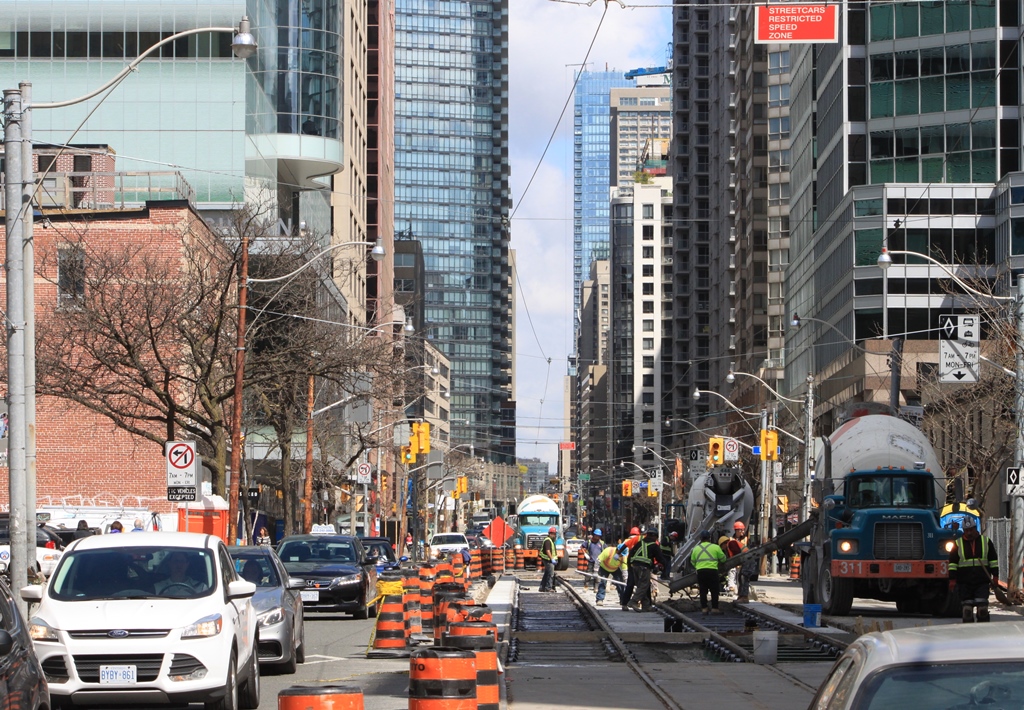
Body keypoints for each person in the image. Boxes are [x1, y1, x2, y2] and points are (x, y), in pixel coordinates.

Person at [949, 517, 999, 623]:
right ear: (963, 530)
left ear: (975, 528)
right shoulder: (957, 544)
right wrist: (952, 579)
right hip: (964, 583)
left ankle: (983, 629)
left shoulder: (986, 542)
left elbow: (993, 560)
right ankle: (969, 631)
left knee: (982, 610)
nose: (969, 533)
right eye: (966, 530)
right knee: (967, 611)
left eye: (971, 530)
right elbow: (952, 563)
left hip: (982, 582)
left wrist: (995, 576)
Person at [627, 528, 669, 612]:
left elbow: (631, 554)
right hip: (643, 567)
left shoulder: (639, 543)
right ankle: (633, 601)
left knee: (642, 586)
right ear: (654, 536)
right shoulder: (654, 545)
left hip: (634, 566)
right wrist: (663, 567)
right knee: (644, 585)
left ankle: (646, 606)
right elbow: (660, 558)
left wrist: (629, 568)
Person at [691, 530, 727, 614]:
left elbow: (692, 562)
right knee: (714, 590)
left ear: (700, 539)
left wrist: (699, 566)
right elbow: (723, 559)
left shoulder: (696, 549)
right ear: (709, 538)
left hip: (701, 571)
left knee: (703, 590)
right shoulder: (716, 547)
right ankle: (715, 608)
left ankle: (704, 608)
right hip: (712, 571)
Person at [727, 521, 755, 602]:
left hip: (747, 560)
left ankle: (744, 596)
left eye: (743, 530)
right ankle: (741, 595)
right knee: (740, 578)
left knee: (744, 577)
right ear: (736, 530)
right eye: (741, 530)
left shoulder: (746, 539)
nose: (743, 531)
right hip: (742, 561)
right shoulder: (731, 540)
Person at [618, 526, 642, 609]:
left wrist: (618, 554)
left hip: (630, 563)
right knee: (641, 585)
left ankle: (625, 603)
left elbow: (623, 546)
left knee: (630, 584)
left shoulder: (628, 540)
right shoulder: (639, 539)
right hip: (639, 564)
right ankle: (638, 602)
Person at [538, 526, 558, 592]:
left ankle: (542, 587)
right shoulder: (548, 541)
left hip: (549, 559)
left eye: (555, 534)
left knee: (547, 573)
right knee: (551, 574)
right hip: (548, 560)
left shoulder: (551, 541)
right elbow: (548, 551)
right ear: (550, 534)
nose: (555, 535)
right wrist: (552, 559)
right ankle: (548, 588)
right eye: (554, 534)